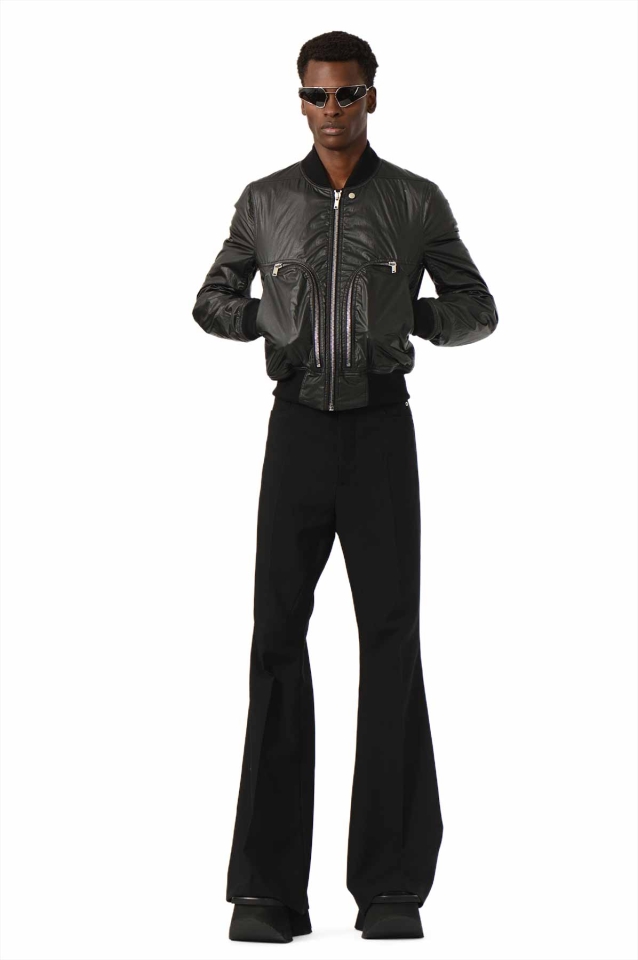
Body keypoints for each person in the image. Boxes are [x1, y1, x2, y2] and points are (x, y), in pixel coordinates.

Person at [192, 30, 498, 943]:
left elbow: (479, 308)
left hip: (380, 432)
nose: (332, 110)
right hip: (295, 433)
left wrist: (413, 320)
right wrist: (270, 320)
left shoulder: (414, 200)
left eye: (347, 93)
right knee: (276, 641)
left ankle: (391, 886)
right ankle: (268, 892)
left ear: (372, 96)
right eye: (317, 95)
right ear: (300, 100)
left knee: (391, 643)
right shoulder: (265, 201)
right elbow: (209, 300)